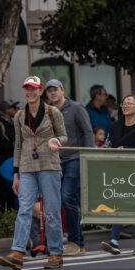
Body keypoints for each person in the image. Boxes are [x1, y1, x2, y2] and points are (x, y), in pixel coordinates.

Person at [0, 75, 68, 270]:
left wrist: (58, 141)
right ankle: (17, 252)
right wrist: (16, 174)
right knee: (24, 209)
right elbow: (18, 146)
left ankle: (55, 253)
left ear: (40, 91)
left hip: (49, 165)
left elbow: (64, 135)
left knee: (51, 212)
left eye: (33, 88)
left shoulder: (53, 113)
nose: (30, 92)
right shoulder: (19, 116)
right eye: (27, 88)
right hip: (27, 167)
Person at [45, 78, 94, 257]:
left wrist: (90, 157)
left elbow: (88, 132)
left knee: (67, 197)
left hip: (74, 157)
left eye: (55, 90)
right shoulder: (47, 111)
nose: (52, 93)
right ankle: (75, 242)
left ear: (62, 90)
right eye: (49, 91)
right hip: (54, 161)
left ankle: (75, 241)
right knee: (60, 200)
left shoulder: (76, 108)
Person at [100, 95, 135, 255]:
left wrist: (129, 149)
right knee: (118, 202)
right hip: (118, 170)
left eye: (130, 103)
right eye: (124, 103)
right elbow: (107, 146)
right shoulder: (115, 126)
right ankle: (114, 241)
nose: (125, 106)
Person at [0, 99, 18, 211]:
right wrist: (11, 145)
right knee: (5, 190)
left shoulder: (13, 123)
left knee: (13, 191)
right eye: (13, 107)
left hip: (13, 162)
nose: (15, 110)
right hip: (2, 163)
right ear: (6, 110)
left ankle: (10, 218)